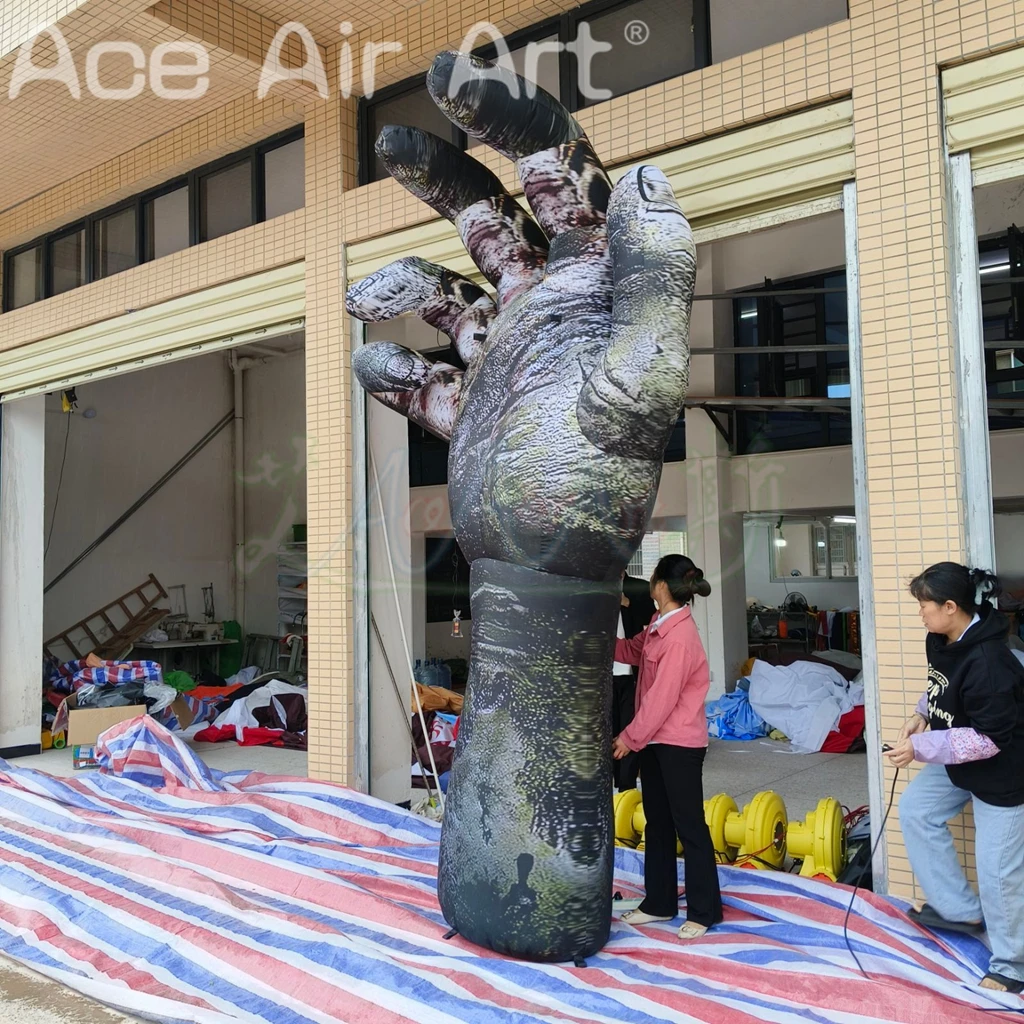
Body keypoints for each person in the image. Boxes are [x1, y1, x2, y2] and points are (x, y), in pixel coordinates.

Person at [887, 562, 1024, 995]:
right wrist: (921, 715)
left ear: (950, 606)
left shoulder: (991, 663)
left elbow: (988, 739)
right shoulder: (942, 637)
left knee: (998, 874)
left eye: (924, 606)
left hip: (1003, 772)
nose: (920, 614)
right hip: (960, 759)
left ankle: (1012, 967)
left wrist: (921, 748)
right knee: (916, 810)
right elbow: (940, 683)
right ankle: (961, 910)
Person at [612, 554, 723, 940]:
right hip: (657, 741)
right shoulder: (658, 624)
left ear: (661, 584)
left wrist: (629, 738)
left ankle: (704, 911)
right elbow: (630, 652)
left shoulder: (679, 637)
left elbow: (661, 699)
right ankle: (658, 903)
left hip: (679, 744)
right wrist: (592, 637)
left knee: (689, 826)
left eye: (652, 578)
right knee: (657, 823)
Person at [612, 571, 657, 791]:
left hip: (630, 672)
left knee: (629, 728)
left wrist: (626, 602)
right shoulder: (595, 585)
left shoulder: (639, 588)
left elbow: (650, 621)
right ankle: (609, 783)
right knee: (607, 728)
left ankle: (626, 787)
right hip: (604, 672)